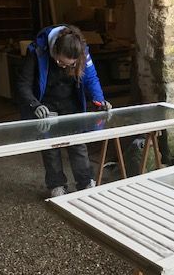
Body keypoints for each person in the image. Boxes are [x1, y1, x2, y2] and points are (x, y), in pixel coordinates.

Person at [15, 25, 111, 197]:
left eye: (70, 65)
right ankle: (56, 185)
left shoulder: (82, 51)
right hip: (46, 104)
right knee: (51, 146)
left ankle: (86, 182)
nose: (63, 67)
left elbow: (91, 78)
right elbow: (23, 84)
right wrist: (34, 105)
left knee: (78, 144)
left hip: (71, 102)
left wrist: (100, 101)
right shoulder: (38, 50)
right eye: (60, 62)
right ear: (54, 50)